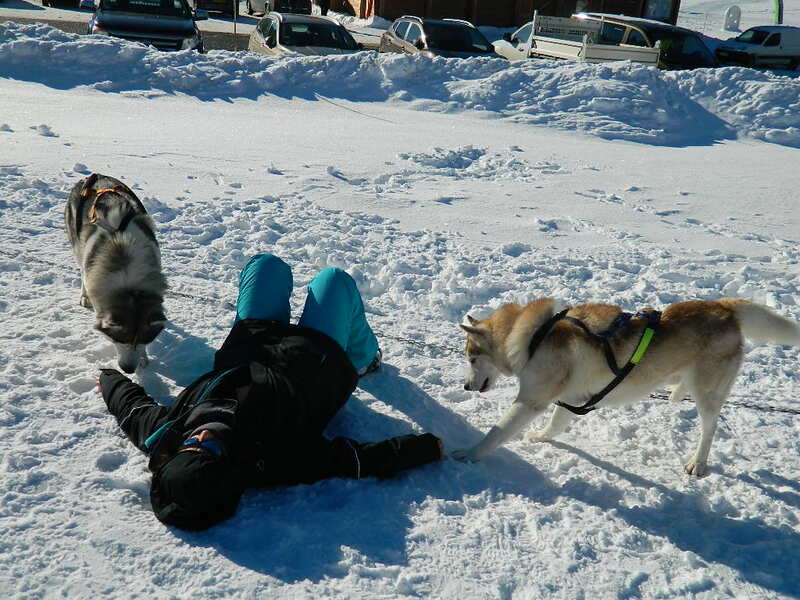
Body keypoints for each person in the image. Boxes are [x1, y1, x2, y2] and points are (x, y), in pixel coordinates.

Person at [99, 254, 443, 531]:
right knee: (334, 281)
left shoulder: (165, 435)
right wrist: (426, 447)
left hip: (253, 342)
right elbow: (356, 460)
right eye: (212, 448)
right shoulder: (274, 459)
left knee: (266, 266)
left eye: (193, 444)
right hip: (317, 357)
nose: (202, 435)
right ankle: (364, 357)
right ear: (229, 465)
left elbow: (129, 408)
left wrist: (107, 378)